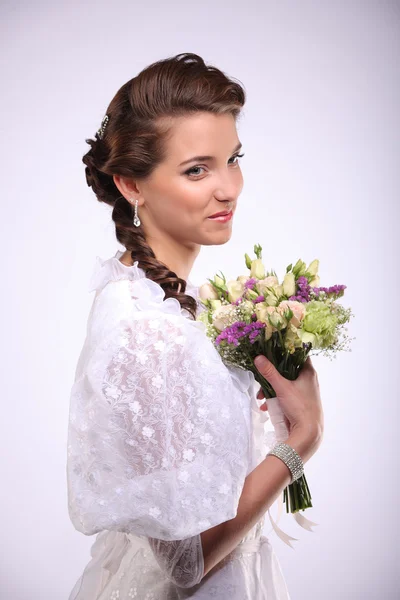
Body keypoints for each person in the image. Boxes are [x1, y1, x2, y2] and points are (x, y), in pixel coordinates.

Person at [66, 52, 324, 600]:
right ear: (131, 184)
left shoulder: (166, 302)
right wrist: (302, 438)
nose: (228, 188)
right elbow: (186, 562)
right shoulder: (144, 330)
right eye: (196, 169)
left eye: (233, 158)